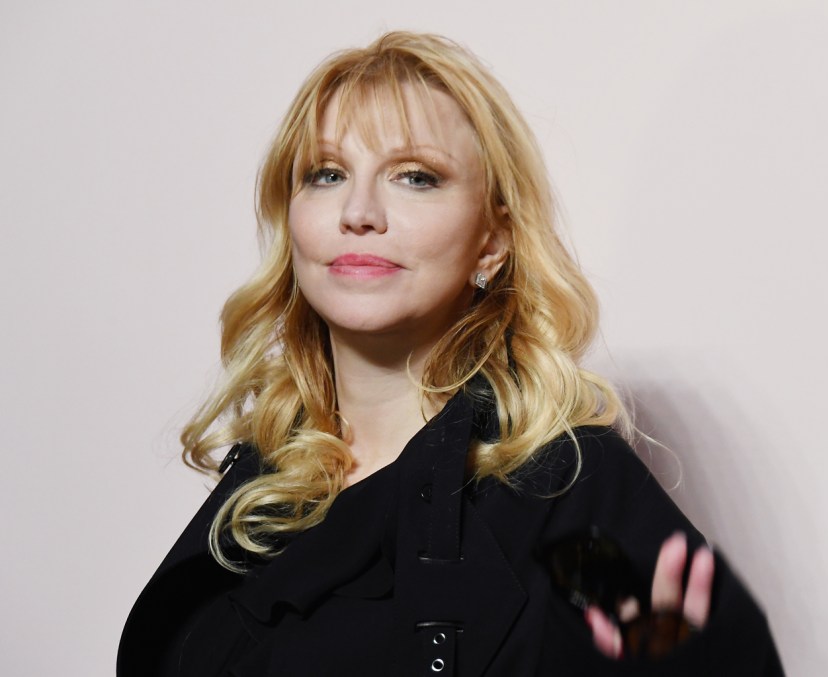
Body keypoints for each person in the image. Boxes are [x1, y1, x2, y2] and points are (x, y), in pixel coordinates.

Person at [117, 31, 783, 676]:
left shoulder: (563, 490)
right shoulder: (267, 475)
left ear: (492, 241)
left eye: (415, 177)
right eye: (327, 173)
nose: (358, 210)